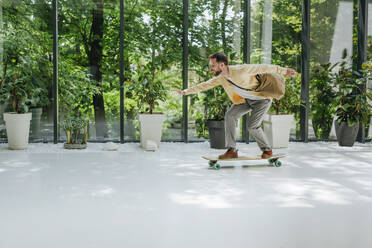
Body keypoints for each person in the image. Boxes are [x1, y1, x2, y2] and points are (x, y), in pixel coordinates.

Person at [172, 52, 297, 159]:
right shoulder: (221, 78)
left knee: (252, 126)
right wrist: (185, 92)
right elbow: (205, 85)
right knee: (230, 115)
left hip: (261, 99)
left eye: (213, 65)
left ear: (222, 65)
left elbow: (264, 67)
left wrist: (284, 70)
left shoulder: (241, 70)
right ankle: (232, 150)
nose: (211, 68)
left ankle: (267, 150)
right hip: (245, 101)